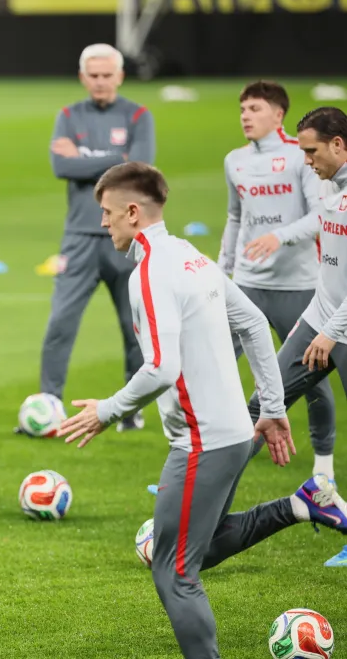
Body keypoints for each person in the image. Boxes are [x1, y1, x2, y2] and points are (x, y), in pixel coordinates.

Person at [59, 161, 347, 659]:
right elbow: (253, 323)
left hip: (201, 443)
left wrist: (107, 410)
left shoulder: (150, 272)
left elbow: (161, 368)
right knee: (202, 546)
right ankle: (299, 505)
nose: (102, 222)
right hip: (234, 433)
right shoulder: (189, 255)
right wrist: (270, 407)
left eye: (107, 212)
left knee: (173, 572)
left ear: (133, 212)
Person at [216, 80, 336, 483]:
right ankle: (203, 460)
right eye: (242, 109)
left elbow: (319, 217)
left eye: (255, 109)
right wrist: (222, 268)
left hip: (298, 287)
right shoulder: (235, 160)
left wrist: (278, 236)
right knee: (214, 363)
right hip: (249, 284)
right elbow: (235, 217)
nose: (245, 116)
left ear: (278, 114)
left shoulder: (303, 159)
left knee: (313, 381)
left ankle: (323, 469)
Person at [34, 43, 155, 435]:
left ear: (120, 76)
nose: (101, 81)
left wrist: (85, 158)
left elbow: (139, 169)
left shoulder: (138, 115)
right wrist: (117, 158)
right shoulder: (69, 115)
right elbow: (61, 166)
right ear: (83, 77)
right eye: (94, 75)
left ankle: (131, 410)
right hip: (79, 239)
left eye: (107, 75)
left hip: (126, 239)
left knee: (134, 327)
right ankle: (48, 407)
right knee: (60, 324)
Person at [245, 106, 347, 568]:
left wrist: (331, 331)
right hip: (320, 321)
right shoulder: (328, 186)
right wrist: (312, 322)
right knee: (261, 406)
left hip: (338, 329)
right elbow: (333, 270)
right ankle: (201, 505)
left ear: (338, 144)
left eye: (312, 151)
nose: (306, 161)